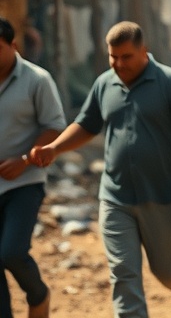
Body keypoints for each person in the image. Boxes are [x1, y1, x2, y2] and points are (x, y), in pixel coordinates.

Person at [30, 21, 171, 318]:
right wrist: (55, 148)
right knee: (124, 276)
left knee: (167, 271)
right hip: (115, 197)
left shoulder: (169, 82)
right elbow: (86, 125)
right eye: (113, 57)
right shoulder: (104, 83)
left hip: (161, 197)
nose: (118, 64)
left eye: (126, 57)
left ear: (143, 51)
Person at [0, 16, 65, 318]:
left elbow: (55, 128)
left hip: (24, 181)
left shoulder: (37, 80)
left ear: (13, 46)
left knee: (11, 252)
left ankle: (38, 295)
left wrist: (24, 160)